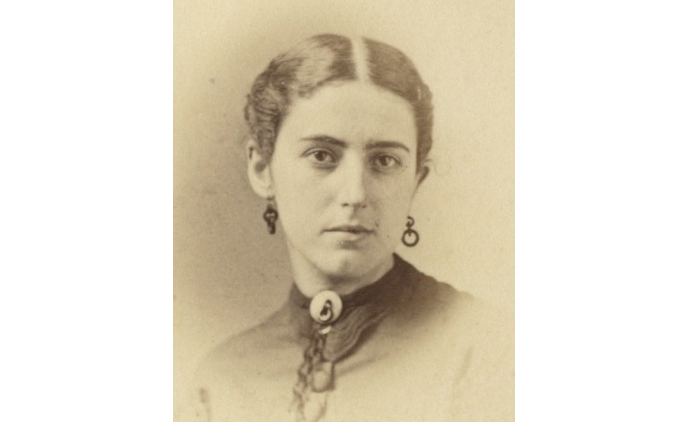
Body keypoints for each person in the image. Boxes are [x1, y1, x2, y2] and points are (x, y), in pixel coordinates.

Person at [180, 33, 512, 422]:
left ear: (416, 180)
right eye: (322, 155)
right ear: (261, 169)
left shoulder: (487, 352)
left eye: (384, 161)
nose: (355, 194)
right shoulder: (220, 381)